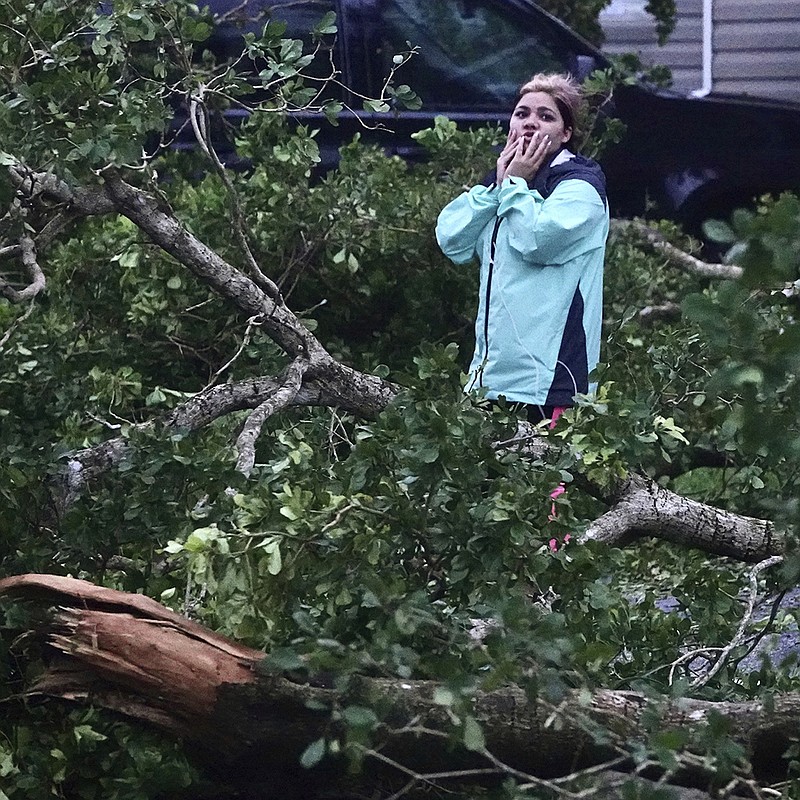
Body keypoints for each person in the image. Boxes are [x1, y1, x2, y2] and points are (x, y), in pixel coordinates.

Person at [436, 73, 609, 425]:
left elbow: (537, 241)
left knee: (549, 482)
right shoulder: (503, 183)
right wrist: (499, 188)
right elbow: (451, 239)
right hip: (491, 379)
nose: (531, 122)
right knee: (486, 480)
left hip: (552, 383)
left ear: (565, 134)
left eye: (546, 116)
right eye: (522, 113)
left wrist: (514, 184)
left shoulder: (581, 188)